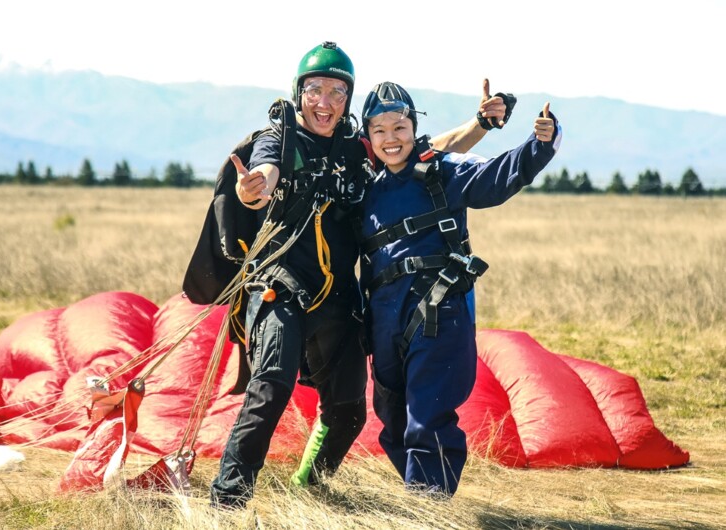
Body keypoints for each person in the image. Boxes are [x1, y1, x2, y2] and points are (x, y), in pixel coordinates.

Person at [209, 41, 509, 509]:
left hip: (336, 296)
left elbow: (420, 150)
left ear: (348, 99)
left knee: (349, 412)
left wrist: (482, 125)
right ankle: (227, 501)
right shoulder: (280, 139)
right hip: (281, 286)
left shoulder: (357, 149)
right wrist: (256, 189)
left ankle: (308, 489)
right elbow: (263, 173)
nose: (324, 102)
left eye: (336, 91)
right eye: (314, 90)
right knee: (271, 385)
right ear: (299, 93)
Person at [359, 81, 560, 496]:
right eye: (379, 131)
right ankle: (425, 499)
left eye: (399, 127)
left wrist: (539, 146)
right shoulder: (365, 191)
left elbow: (496, 178)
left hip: (437, 312)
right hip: (384, 320)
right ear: (368, 137)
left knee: (427, 418)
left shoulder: (442, 172)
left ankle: (426, 509)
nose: (391, 139)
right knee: (393, 421)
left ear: (414, 127)